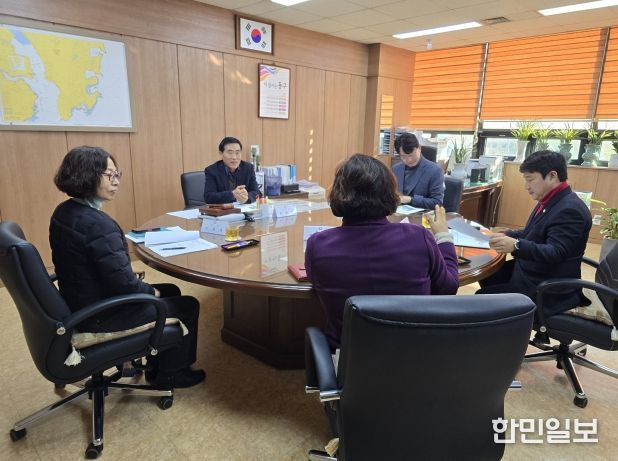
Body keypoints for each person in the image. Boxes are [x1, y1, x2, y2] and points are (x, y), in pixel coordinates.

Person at [50, 146, 205, 389]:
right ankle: (171, 374)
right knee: (187, 305)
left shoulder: (64, 211)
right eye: (109, 175)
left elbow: (101, 268)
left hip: (79, 301)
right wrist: (150, 292)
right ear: (87, 176)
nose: (116, 181)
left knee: (171, 290)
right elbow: (124, 284)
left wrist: (141, 284)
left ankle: (157, 363)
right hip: (101, 315)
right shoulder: (99, 225)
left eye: (117, 174)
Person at [305, 154, 459, 350]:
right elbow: (448, 288)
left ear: (337, 193)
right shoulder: (418, 237)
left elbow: (318, 284)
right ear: (389, 193)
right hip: (416, 354)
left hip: (350, 360)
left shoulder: (318, 245)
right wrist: (443, 236)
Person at [477, 150, 592, 316]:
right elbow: (536, 232)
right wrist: (510, 234)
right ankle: (508, 324)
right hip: (534, 272)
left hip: (549, 288)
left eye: (530, 179)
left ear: (552, 176)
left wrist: (516, 245)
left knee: (480, 301)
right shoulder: (551, 199)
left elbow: (555, 252)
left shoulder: (570, 210)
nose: (526, 186)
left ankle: (510, 326)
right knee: (488, 274)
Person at [392, 132, 444, 209]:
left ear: (419, 148)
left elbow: (437, 202)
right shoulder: (395, 169)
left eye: (411, 155)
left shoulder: (435, 171)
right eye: (403, 156)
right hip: (398, 213)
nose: (408, 160)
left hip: (423, 215)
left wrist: (411, 200)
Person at [203, 136, 260, 204]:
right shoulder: (212, 171)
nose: (234, 157)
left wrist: (247, 198)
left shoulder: (248, 168)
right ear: (221, 153)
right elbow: (208, 197)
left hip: (242, 208)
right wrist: (232, 194)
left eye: (237, 153)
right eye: (230, 153)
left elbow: (257, 192)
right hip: (223, 209)